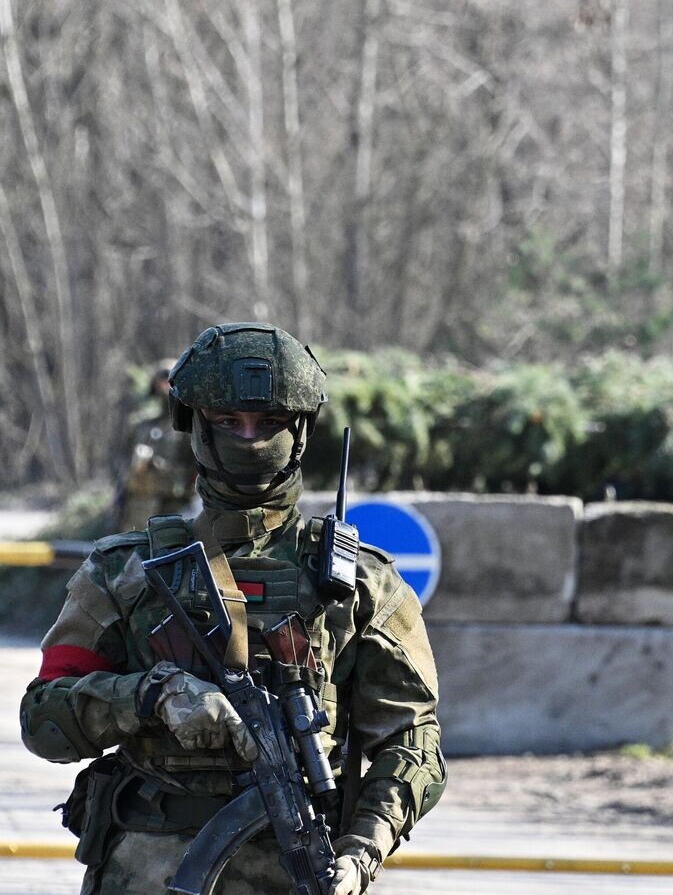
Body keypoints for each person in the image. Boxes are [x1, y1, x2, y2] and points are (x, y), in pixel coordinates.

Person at [19, 323, 445, 894]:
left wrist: (364, 847)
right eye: (228, 421)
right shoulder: (125, 570)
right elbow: (44, 721)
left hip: (302, 867)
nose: (250, 438)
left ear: (300, 431)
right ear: (196, 426)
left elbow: (412, 740)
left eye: (269, 422)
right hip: (146, 870)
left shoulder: (361, 582)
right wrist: (150, 697)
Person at [114, 360, 197, 531]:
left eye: (170, 379)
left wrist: (160, 467)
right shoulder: (141, 425)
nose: (165, 384)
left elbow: (197, 470)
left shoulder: (189, 425)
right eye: (161, 379)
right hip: (138, 508)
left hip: (174, 509)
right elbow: (122, 463)